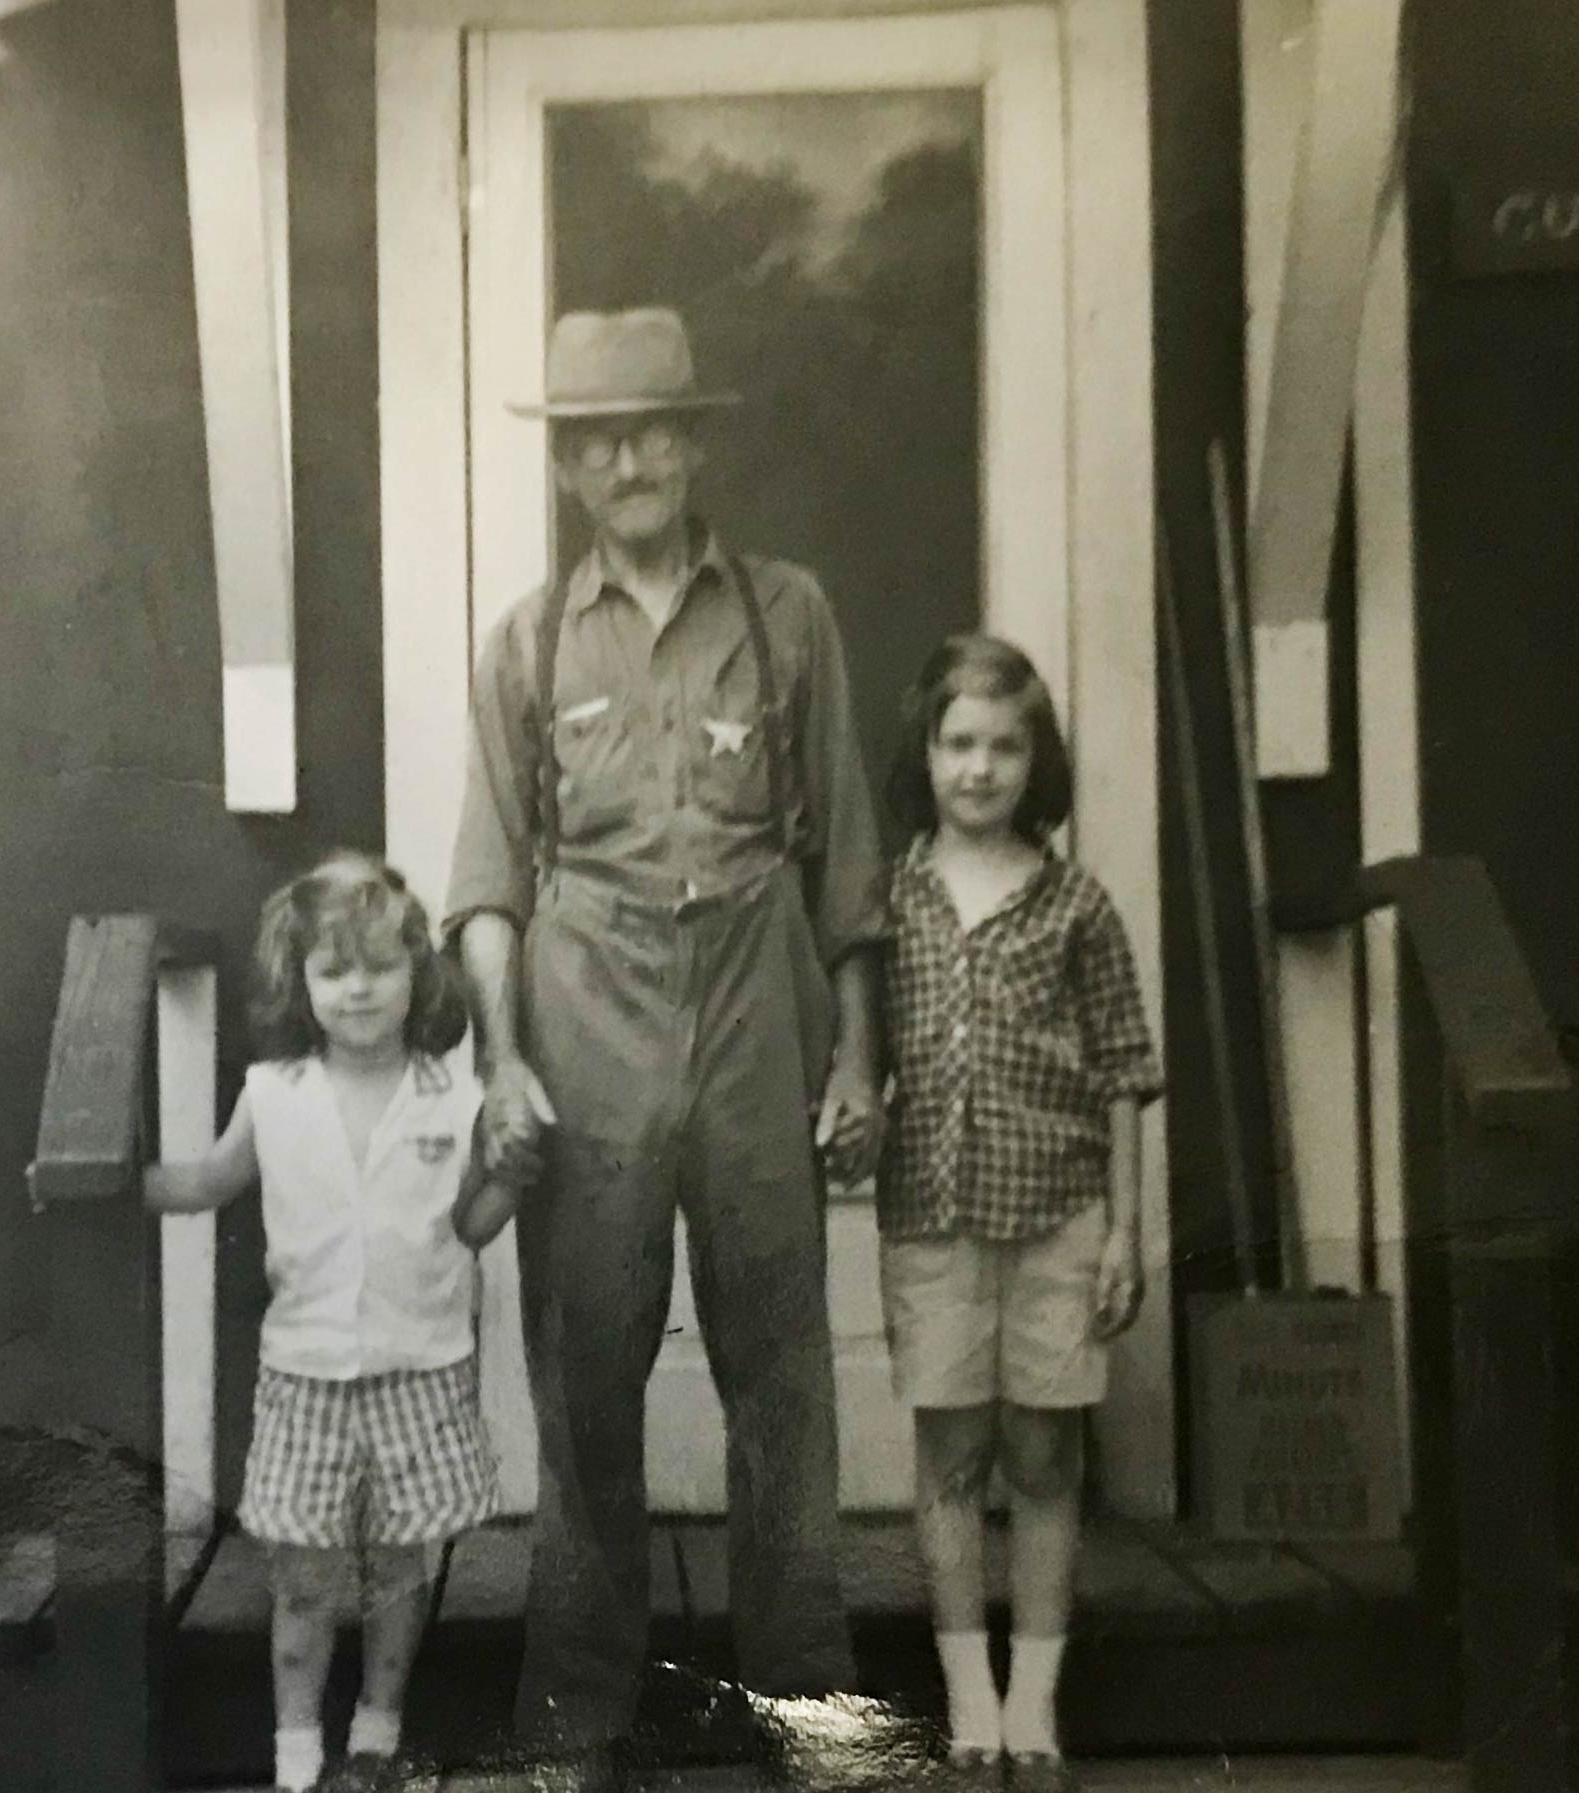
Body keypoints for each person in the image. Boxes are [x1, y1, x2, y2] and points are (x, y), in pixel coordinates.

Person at [445, 307, 889, 1766]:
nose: (629, 459)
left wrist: (855, 1053)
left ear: (694, 444)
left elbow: (847, 864)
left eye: (653, 430)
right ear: (570, 467)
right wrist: (507, 1059)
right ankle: (573, 1717)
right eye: (597, 439)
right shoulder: (522, 641)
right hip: (588, 998)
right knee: (583, 1372)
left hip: (758, 988)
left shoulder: (788, 612)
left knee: (780, 1363)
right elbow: (490, 882)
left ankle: (809, 1714)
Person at [145, 852, 522, 1793]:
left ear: (416, 976)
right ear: (300, 981)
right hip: (305, 1378)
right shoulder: (275, 1093)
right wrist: (124, 1177)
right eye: (333, 970)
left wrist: (514, 1175)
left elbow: (471, 1226)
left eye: (381, 967)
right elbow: (208, 1180)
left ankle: (377, 1737)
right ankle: (295, 1757)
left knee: (400, 1571)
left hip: (420, 1367)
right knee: (304, 1582)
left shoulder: (454, 1095)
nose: (359, 990)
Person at [873, 635, 1164, 1793]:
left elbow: (1124, 1074)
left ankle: (1035, 1706)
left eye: (1004, 744)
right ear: (926, 753)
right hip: (929, 1215)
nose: (980, 767)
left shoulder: (1075, 903)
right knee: (948, 1452)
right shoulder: (888, 896)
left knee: (1044, 1454)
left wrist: (1126, 1230)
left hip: (1059, 1215)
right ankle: (971, 1705)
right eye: (958, 742)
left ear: (1034, 760)